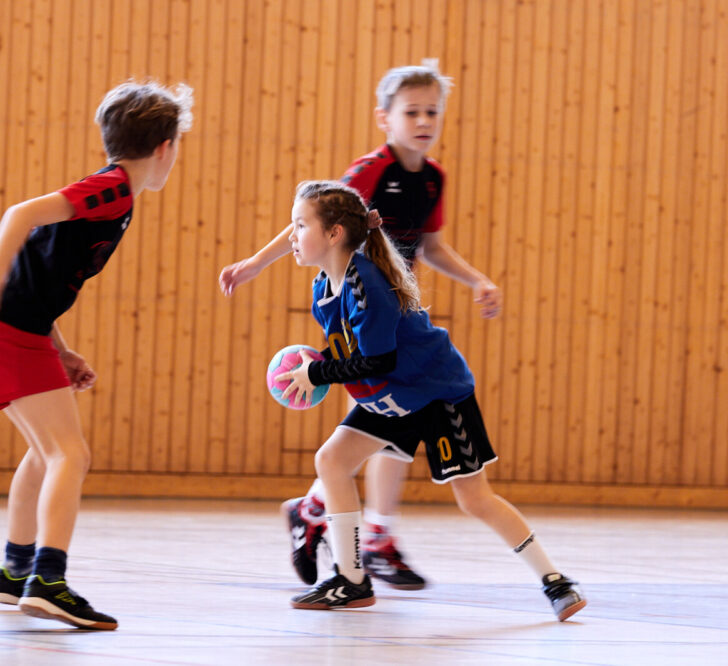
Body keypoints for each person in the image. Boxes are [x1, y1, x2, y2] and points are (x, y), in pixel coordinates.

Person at [219, 65, 501, 590]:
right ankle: (359, 530)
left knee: (388, 425)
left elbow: (432, 247)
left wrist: (476, 279)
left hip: (400, 316)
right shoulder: (371, 171)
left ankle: (338, 521)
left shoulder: (433, 177)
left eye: (431, 111)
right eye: (410, 111)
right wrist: (257, 262)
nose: (422, 120)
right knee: (380, 423)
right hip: (360, 310)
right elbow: (314, 219)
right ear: (384, 118)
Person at [274, 180, 585, 621]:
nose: (291, 235)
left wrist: (316, 372)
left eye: (300, 224)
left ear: (333, 234)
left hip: (438, 394)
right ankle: (351, 580)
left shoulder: (367, 283)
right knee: (332, 461)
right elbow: (350, 352)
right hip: (395, 395)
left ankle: (556, 581)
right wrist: (311, 369)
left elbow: (377, 359)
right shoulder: (324, 289)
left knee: (474, 499)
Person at [0, 80, 194, 630]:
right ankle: (48, 581)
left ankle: (15, 572)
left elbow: (42, 270)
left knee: (47, 452)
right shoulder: (109, 189)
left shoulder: (117, 196)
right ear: (165, 148)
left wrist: (58, 349)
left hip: (22, 327)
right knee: (71, 454)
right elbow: (20, 215)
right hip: (4, 324)